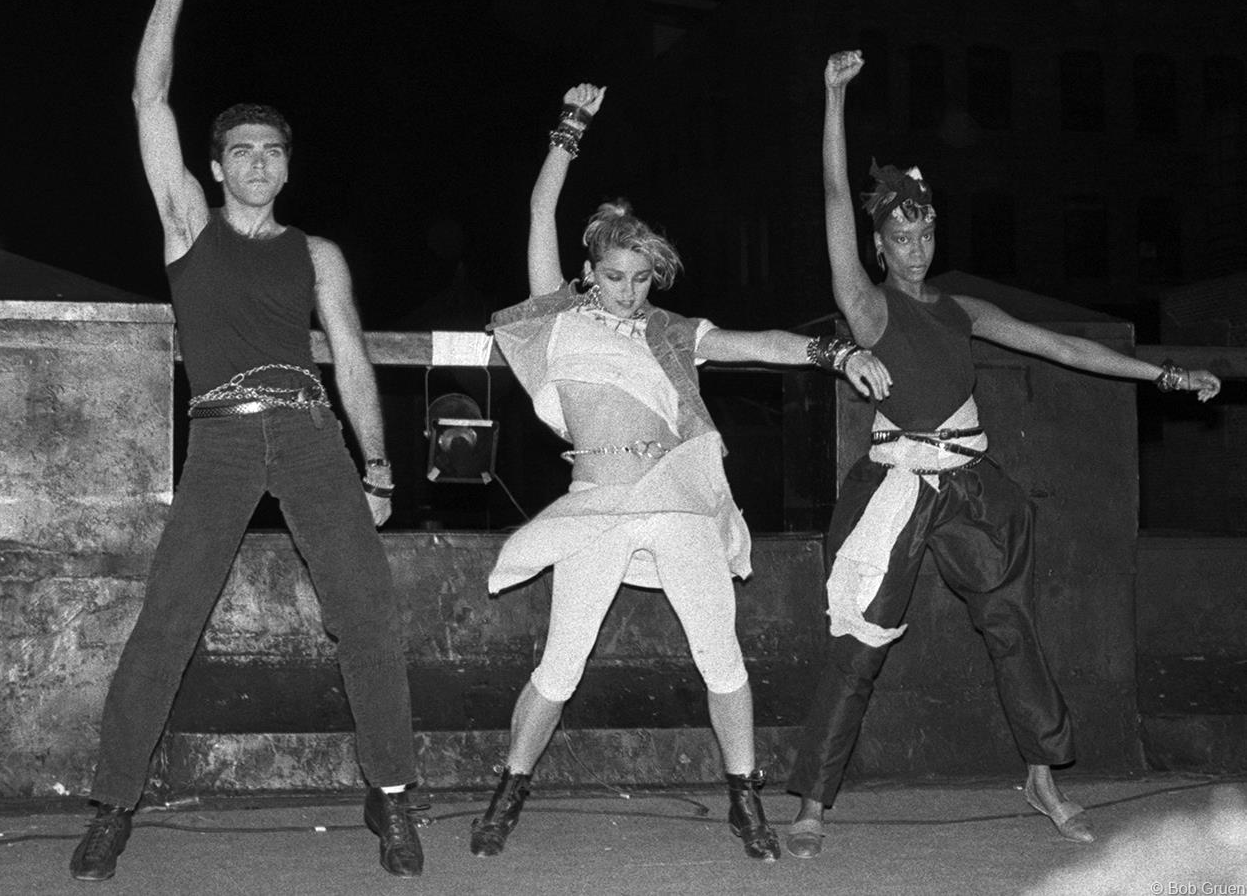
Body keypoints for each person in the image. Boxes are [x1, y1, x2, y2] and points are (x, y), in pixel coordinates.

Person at [783, 48, 1223, 860]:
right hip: (898, 485)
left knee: (1013, 628)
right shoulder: (868, 307)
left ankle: (1043, 776)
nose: (915, 247)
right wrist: (834, 98)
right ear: (880, 247)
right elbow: (836, 197)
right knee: (861, 644)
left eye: (926, 230)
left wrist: (1164, 373)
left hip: (974, 491)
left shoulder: (961, 309)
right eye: (901, 236)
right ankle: (813, 799)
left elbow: (1064, 347)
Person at [68, 0, 423, 881]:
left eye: (272, 151)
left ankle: (390, 796)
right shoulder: (189, 228)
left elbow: (348, 356)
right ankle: (112, 804)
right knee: (169, 619)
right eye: (241, 152)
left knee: (369, 615)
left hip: (311, 437)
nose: (258, 163)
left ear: (285, 166)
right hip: (223, 439)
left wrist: (378, 466)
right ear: (218, 168)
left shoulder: (317, 254)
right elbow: (149, 102)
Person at [472, 83, 893, 864]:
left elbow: (757, 342)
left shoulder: (669, 333)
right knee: (560, 664)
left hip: (676, 500)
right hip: (595, 502)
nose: (629, 290)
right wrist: (569, 128)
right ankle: (508, 793)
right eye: (615, 275)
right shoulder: (553, 322)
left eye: (641, 277)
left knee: (719, 653)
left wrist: (839, 352)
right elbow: (539, 212)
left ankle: (745, 800)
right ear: (589, 270)